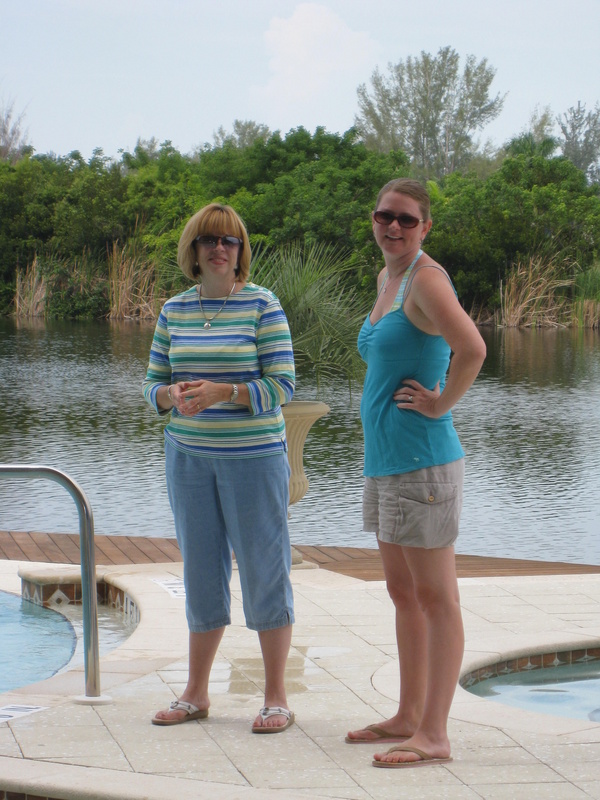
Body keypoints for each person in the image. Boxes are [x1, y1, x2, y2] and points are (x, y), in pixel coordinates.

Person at [346, 179, 486, 767]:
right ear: (373, 220)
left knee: (436, 598)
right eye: (384, 216)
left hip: (424, 462)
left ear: (424, 226)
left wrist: (440, 402)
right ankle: (407, 715)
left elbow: (472, 348)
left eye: (406, 219)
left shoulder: (426, 278)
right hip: (385, 462)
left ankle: (435, 734)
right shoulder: (388, 279)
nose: (393, 227)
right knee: (403, 593)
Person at [143, 203, 296, 734]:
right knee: (200, 571)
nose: (218, 248)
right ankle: (195, 693)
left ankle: (275, 697)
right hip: (187, 459)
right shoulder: (173, 310)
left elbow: (282, 385)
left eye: (229, 240)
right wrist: (170, 394)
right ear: (193, 249)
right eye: (208, 239)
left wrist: (223, 393)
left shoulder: (263, 305)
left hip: (253, 460)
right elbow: (151, 386)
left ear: (240, 251)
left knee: (263, 568)